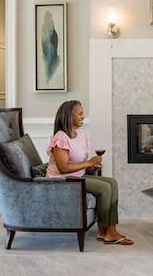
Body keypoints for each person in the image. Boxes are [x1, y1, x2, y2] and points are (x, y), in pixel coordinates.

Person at [46, 100, 134, 246]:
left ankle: (104, 230)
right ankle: (110, 232)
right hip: (61, 181)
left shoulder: (80, 134)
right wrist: (89, 163)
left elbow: (78, 162)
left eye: (83, 113)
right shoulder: (61, 138)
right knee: (105, 188)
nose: (83, 116)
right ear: (69, 116)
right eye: (80, 113)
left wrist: (91, 167)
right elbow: (63, 168)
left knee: (112, 183)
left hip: (77, 177)